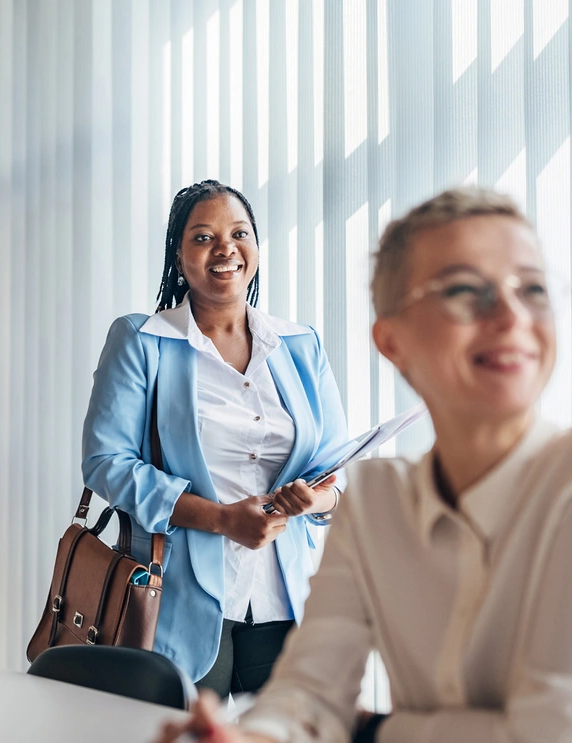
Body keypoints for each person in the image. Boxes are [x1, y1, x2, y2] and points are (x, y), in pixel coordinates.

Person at [157, 186, 572, 743]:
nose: (512, 314)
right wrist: (254, 736)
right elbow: (308, 694)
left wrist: (369, 730)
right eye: (464, 290)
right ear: (392, 341)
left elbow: (551, 726)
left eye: (534, 288)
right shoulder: (378, 504)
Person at [82, 180, 349, 694]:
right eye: (203, 237)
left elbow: (335, 469)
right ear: (178, 255)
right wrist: (222, 520)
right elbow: (106, 463)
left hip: (285, 596)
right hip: (176, 594)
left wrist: (316, 499)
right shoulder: (142, 341)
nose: (225, 248)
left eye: (239, 233)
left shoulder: (300, 344)